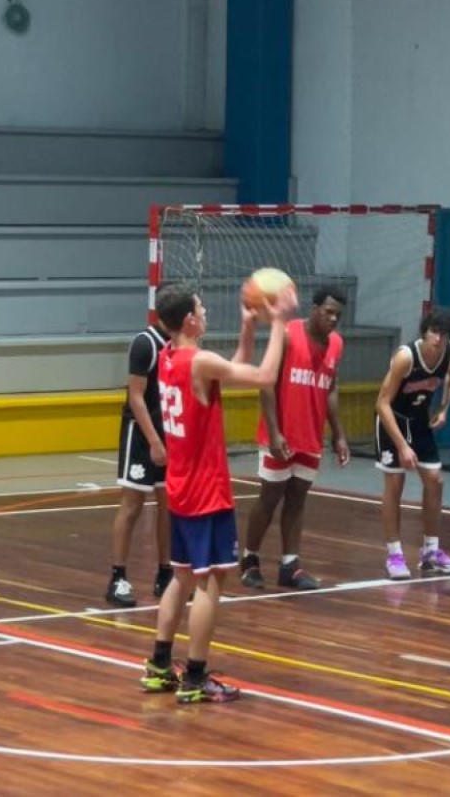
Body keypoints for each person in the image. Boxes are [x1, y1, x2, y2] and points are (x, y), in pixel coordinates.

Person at [139, 282, 294, 704]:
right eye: (202, 309)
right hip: (206, 490)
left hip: (181, 486)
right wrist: (279, 322)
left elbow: (231, 369)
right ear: (189, 319)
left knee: (183, 574)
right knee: (211, 582)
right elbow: (263, 376)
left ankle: (158, 665)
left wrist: (248, 330)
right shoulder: (199, 361)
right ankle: (195, 678)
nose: (206, 313)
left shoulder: (172, 358)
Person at [240, 286, 351, 590]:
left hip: (311, 437)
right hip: (280, 435)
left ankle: (290, 565)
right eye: (328, 312)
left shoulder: (336, 344)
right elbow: (265, 384)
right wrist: (274, 432)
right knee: (270, 497)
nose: (333, 319)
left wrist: (339, 434)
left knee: (298, 499)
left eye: (338, 315)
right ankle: (250, 559)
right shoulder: (287, 334)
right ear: (314, 309)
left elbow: (331, 387)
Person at [374, 305, 450, 579]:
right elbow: (381, 403)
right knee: (395, 483)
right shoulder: (406, 357)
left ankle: (431, 552)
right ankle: (394, 555)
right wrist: (402, 445)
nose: (438, 339)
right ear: (424, 332)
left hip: (419, 419)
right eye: (434, 332)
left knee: (435, 480)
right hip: (393, 420)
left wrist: (444, 407)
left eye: (444, 334)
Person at [106, 317, 172, 607]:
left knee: (168, 503)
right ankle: (118, 577)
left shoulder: (182, 345)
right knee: (133, 504)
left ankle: (166, 573)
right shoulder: (145, 343)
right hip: (141, 435)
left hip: (169, 430)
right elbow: (136, 396)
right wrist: (155, 441)